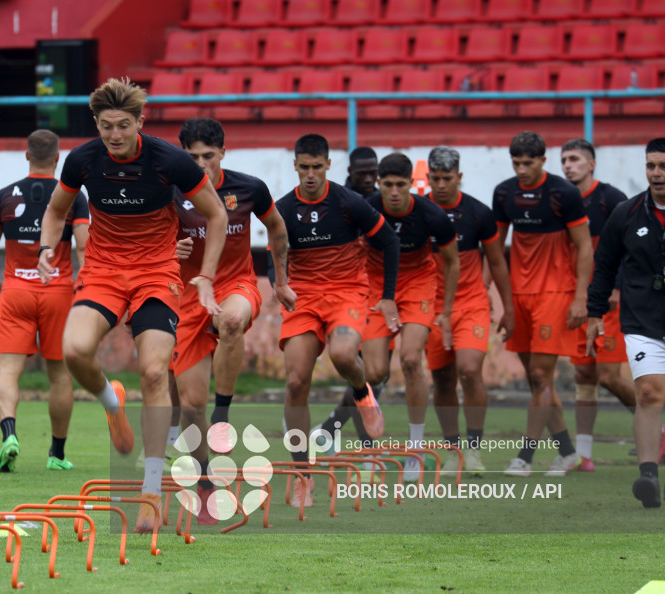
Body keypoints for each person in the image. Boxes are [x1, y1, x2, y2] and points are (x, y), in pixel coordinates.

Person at [37, 77, 227, 533]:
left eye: (123, 125)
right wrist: (47, 247)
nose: (115, 135)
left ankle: (150, 490)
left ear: (140, 122)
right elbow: (57, 211)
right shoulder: (83, 159)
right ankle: (111, 402)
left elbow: (216, 214)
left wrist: (205, 277)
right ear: (96, 125)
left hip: (156, 274)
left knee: (155, 372)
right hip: (102, 270)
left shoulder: (169, 160)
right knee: (74, 350)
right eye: (106, 127)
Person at [171, 118, 295, 524]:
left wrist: (280, 281)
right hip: (187, 297)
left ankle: (222, 417)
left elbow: (276, 226)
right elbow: (147, 241)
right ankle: (206, 480)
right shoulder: (169, 192)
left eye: (209, 156)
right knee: (190, 406)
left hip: (236, 284)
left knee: (230, 321)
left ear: (223, 153)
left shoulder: (249, 188)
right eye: (192, 157)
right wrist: (172, 248)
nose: (201, 164)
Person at [277, 134, 399, 508]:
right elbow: (276, 251)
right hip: (304, 297)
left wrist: (389, 297)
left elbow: (390, 242)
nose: (310, 174)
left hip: (347, 292)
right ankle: (303, 476)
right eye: (304, 167)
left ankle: (363, 395)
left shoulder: (349, 203)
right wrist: (278, 283)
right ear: (295, 166)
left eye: (317, 166)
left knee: (345, 354)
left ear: (328, 165)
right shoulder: (282, 207)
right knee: (296, 381)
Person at [587, 137, 665, 508]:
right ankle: (647, 476)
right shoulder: (626, 213)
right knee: (649, 392)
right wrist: (594, 312)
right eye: (650, 166)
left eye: (664, 166)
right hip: (643, 321)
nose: (656, 173)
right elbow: (605, 264)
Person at [0, 129, 89, 472]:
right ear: (58, 159)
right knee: (59, 376)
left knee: (8, 372)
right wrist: (86, 292)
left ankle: (9, 435)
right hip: (58, 292)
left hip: (16, 292)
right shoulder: (73, 197)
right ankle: (56, 454)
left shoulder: (4, 196)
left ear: (27, 156)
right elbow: (84, 247)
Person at [492, 131, 593, 477]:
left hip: (555, 293)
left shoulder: (564, 194)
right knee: (538, 381)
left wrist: (581, 297)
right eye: (516, 162)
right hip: (518, 296)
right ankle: (568, 452)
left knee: (539, 375)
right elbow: (495, 251)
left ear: (542, 161)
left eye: (528, 162)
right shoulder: (504, 193)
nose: (522, 169)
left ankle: (525, 457)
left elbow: (584, 247)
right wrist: (501, 301)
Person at [355, 152, 460, 482]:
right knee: (374, 370)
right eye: (388, 185)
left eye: (401, 185)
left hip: (417, 285)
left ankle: (415, 449)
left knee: (412, 359)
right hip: (374, 285)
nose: (395, 192)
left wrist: (445, 311)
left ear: (412, 185)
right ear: (379, 184)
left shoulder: (433, 215)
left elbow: (453, 262)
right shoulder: (366, 207)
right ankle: (372, 448)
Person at [424, 146, 514, 477]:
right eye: (436, 178)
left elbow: (497, 263)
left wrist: (508, 307)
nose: (442, 184)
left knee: (470, 369)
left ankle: (474, 450)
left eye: (448, 178)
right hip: (432, 308)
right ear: (428, 177)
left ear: (459, 177)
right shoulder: (420, 211)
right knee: (443, 380)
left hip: (471, 303)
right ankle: (452, 451)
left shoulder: (478, 213)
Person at [560, 139, 638, 471]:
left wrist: (618, 287)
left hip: (610, 300)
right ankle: (585, 455)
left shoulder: (612, 199)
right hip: (580, 300)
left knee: (608, 375)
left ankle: (659, 427)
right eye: (564, 159)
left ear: (591, 164)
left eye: (575, 159)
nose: (567, 165)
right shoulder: (561, 200)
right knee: (584, 373)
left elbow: (631, 246)